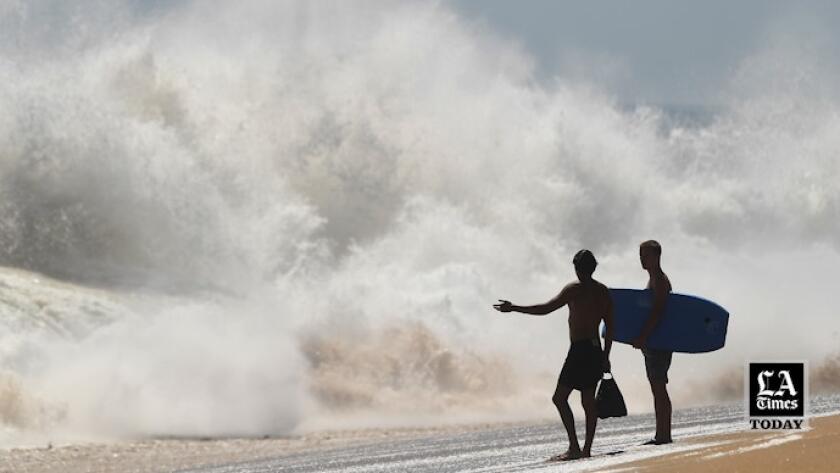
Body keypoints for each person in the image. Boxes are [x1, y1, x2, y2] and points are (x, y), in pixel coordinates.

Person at [494, 250, 614, 461]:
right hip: (595, 350)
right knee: (587, 401)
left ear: (577, 268)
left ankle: (575, 448)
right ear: (593, 268)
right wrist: (606, 355)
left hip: (579, 350)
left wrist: (514, 308)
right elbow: (611, 327)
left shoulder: (574, 290)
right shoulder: (603, 292)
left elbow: (546, 308)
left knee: (559, 398)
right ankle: (585, 449)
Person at [632, 240, 673, 445]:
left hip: (658, 342)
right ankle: (661, 433)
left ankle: (664, 435)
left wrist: (642, 337)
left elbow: (658, 312)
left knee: (659, 387)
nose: (642, 259)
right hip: (654, 341)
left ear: (656, 256)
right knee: (656, 387)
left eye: (645, 255)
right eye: (640, 255)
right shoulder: (654, 279)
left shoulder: (659, 280)